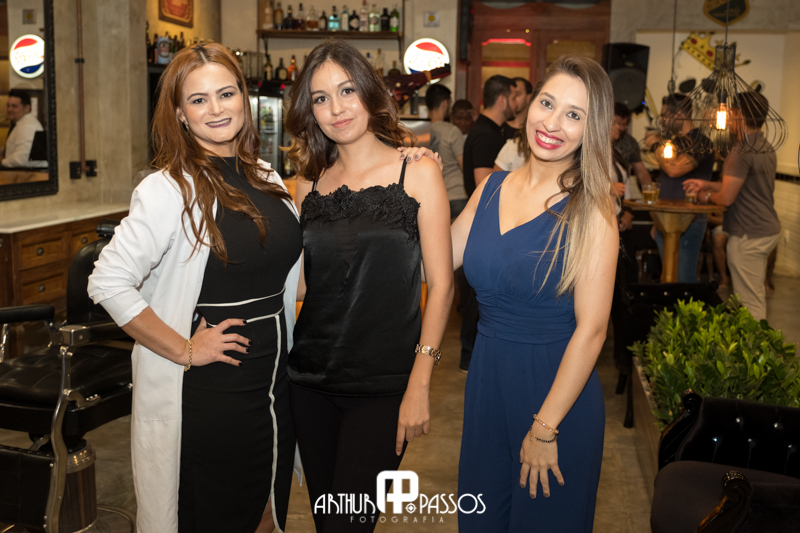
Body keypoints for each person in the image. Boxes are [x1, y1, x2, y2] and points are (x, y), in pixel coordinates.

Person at [87, 44, 302, 533]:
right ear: (180, 114)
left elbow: (284, 269)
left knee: (267, 509)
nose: (217, 109)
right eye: (199, 100)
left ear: (244, 98)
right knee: (218, 513)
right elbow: (108, 281)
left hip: (275, 380)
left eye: (226, 93)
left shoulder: (265, 176)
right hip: (216, 386)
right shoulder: (168, 189)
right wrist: (184, 349)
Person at [284, 39, 453, 532]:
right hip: (309, 381)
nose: (336, 108)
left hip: (384, 387)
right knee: (328, 522)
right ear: (310, 110)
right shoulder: (307, 185)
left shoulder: (417, 171)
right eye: (321, 98)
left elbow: (442, 286)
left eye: (346, 91)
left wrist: (420, 382)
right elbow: (301, 285)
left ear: (369, 92)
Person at [452, 55, 618, 531]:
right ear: (527, 105)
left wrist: (545, 428)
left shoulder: (592, 211)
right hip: (487, 386)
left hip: (555, 396)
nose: (552, 123)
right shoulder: (490, 189)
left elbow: (593, 330)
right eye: (547, 103)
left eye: (574, 114)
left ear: (590, 129)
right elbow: (431, 264)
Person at [684, 92, 781, 321]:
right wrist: (707, 184)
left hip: (749, 235)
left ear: (740, 115)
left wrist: (705, 196)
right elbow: (740, 186)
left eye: (731, 112)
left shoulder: (740, 150)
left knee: (749, 303)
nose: (727, 118)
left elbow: (727, 198)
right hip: (766, 228)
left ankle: (755, 343)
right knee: (753, 296)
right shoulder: (765, 146)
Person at [459, 75, 516, 372]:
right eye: (514, 97)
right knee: (477, 293)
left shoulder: (490, 131)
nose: (517, 103)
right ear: (502, 99)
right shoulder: (485, 134)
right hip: (485, 222)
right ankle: (469, 355)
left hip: (486, 222)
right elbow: (486, 185)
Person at [644, 94, 714, 283]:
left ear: (680, 114)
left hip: (689, 221)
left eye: (665, 116)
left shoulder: (701, 142)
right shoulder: (672, 143)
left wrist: (656, 145)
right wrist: (658, 220)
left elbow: (673, 170)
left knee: (684, 279)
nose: (662, 121)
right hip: (666, 220)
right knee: (668, 278)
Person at [426, 83, 468, 219]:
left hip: (433, 198)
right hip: (456, 195)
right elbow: (464, 166)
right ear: (445, 103)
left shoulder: (420, 131)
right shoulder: (452, 131)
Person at [1, 88, 46, 168]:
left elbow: (21, 159)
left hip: (30, 174)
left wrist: (2, 161)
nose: (9, 109)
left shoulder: (27, 126)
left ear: (27, 108)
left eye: (14, 106)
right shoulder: (23, 123)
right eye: (8, 105)